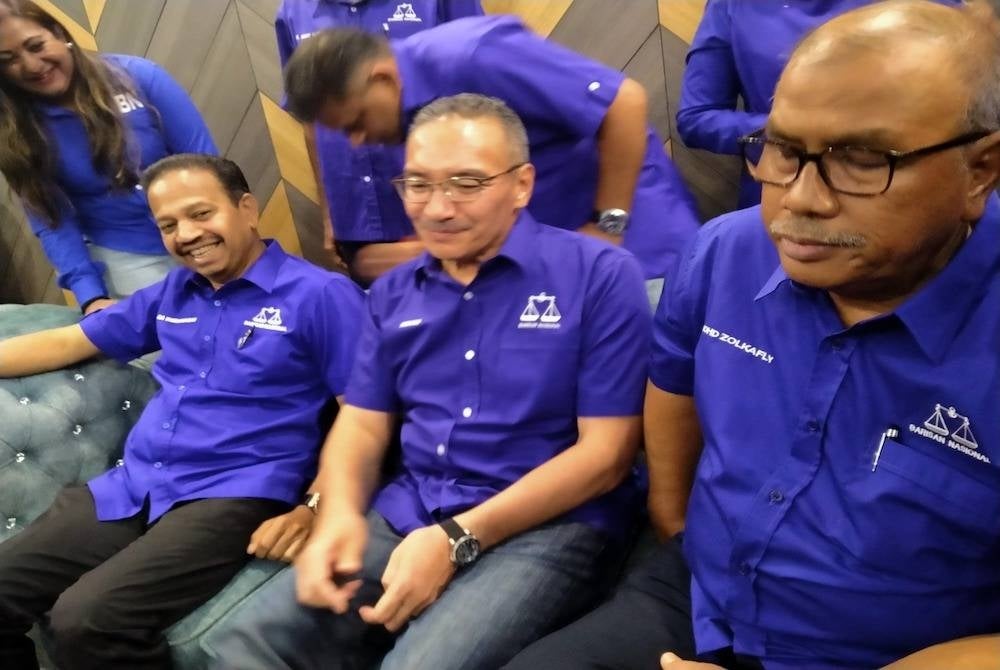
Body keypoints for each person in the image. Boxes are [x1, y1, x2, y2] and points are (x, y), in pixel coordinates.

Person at [507, 1, 1000, 668]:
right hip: (702, 596)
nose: (800, 198)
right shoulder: (724, 253)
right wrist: (672, 518)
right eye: (781, 149)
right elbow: (672, 386)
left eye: (860, 161)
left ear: (981, 169)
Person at [206, 93, 652, 670]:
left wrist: (457, 539)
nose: (437, 208)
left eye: (466, 183)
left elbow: (607, 456)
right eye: (417, 184)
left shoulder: (598, 275)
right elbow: (363, 422)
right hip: (411, 508)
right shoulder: (391, 294)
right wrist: (338, 512)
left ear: (522, 184)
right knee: (247, 645)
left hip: (549, 525)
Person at [0, 154, 364, 670]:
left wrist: (315, 505)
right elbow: (71, 341)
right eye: (168, 225)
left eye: (201, 214)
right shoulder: (176, 291)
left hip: (236, 492)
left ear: (247, 209)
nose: (187, 234)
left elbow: (365, 415)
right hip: (135, 485)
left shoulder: (321, 296)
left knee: (86, 619)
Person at [282, 15, 701, 289]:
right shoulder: (399, 123)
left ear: (383, 78)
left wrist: (607, 227)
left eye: (356, 124)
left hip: (640, 248)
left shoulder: (474, 53)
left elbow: (624, 102)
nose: (357, 142)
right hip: (561, 261)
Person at [0, 0, 217, 314]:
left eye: (36, 45)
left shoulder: (138, 76)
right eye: (8, 60)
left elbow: (208, 167)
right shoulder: (17, 132)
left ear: (60, 34)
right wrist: (90, 295)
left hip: (201, 234)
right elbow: (52, 220)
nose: (32, 66)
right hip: (129, 259)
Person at [274, 0, 483, 284]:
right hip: (354, 216)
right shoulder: (292, 10)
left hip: (442, 205)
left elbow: (478, 93)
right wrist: (329, 213)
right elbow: (312, 122)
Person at [675, 0, 957, 209]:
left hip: (900, 188)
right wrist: (787, 135)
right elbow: (696, 117)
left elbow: (969, 98)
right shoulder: (735, 5)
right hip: (785, 193)